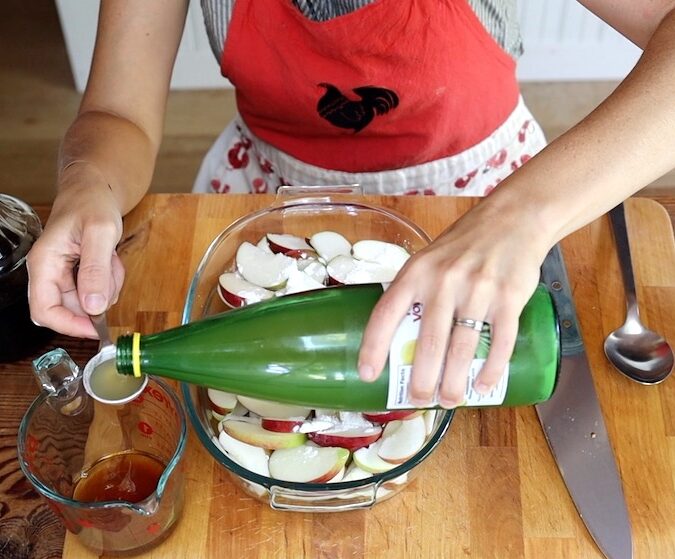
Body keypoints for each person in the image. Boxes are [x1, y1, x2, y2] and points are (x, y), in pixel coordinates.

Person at [27, 0, 675, 409]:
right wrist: (90, 180)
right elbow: (118, 114)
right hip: (275, 202)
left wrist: (523, 215)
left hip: (481, 209)